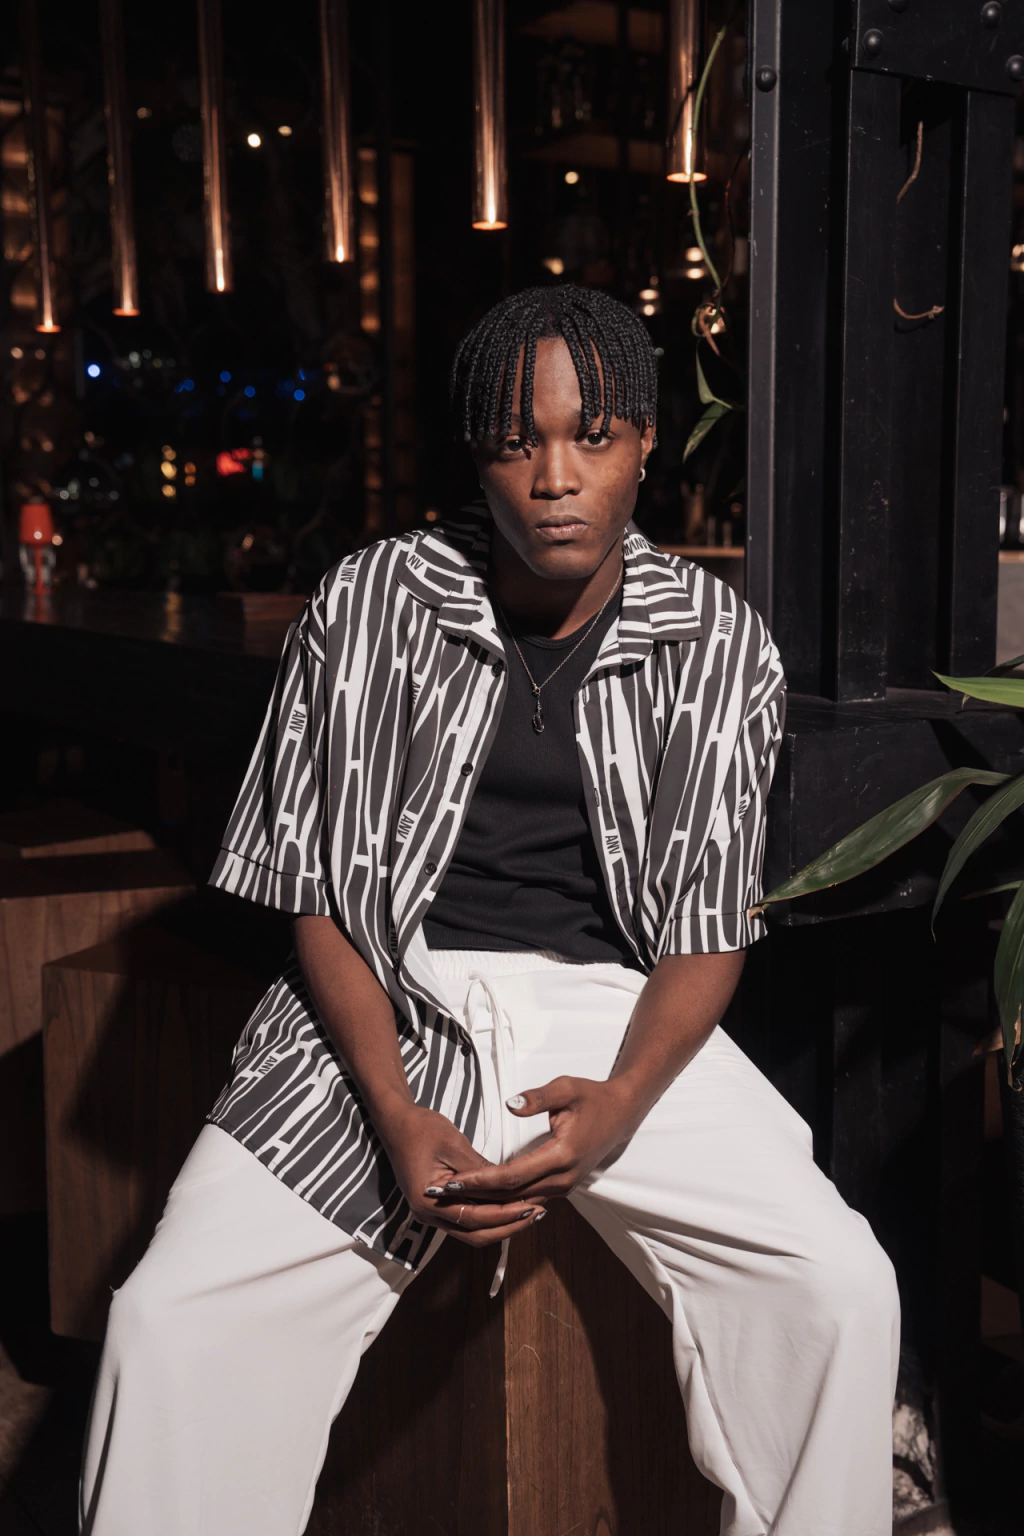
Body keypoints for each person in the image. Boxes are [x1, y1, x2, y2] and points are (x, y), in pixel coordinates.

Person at [80, 284, 899, 1536]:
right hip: (386, 998)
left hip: (615, 1015)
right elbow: (322, 895)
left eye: (591, 437)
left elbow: (706, 928)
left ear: (643, 444)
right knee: (170, 1321)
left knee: (836, 1288)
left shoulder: (716, 643)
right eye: (518, 443)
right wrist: (395, 1114)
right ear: (478, 455)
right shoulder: (370, 604)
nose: (555, 477)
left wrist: (622, 1103)